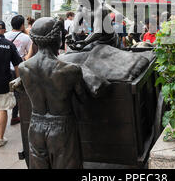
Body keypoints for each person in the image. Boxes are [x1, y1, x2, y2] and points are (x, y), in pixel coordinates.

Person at [17, 17, 108, 169]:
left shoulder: (23, 67)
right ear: (58, 39)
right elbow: (83, 100)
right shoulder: (70, 70)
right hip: (62, 128)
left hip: (35, 127)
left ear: (35, 40)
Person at [5, 15, 32, 126]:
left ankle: (2, 111)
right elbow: (29, 55)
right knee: (17, 92)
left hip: (5, 68)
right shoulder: (26, 38)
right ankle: (14, 116)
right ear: (22, 25)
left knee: (5, 92)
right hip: (18, 68)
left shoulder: (5, 35)